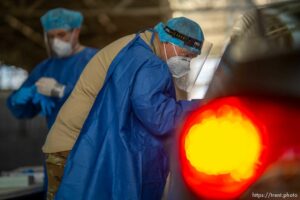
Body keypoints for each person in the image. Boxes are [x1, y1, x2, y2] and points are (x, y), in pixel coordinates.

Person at [43, 17, 209, 200]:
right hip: (75, 146)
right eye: (185, 56)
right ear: (170, 41)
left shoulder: (138, 47)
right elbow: (157, 115)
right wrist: (199, 108)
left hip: (82, 141)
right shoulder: (144, 60)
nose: (186, 63)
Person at [7, 8, 98, 129]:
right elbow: (24, 111)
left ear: (76, 32)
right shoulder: (45, 67)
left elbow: (105, 98)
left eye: (61, 34)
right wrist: (17, 100)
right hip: (57, 143)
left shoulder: (96, 59)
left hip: (93, 141)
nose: (56, 41)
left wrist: (60, 90)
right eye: (51, 36)